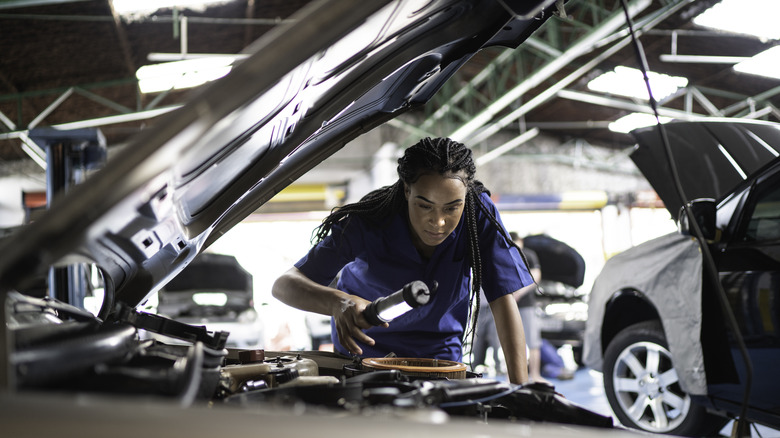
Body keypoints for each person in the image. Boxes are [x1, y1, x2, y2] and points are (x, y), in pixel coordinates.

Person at [272, 137, 535, 384]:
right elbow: (284, 285)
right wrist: (337, 302)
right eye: (425, 205)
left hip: (439, 361)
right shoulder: (371, 219)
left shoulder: (477, 213)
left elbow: (502, 299)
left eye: (452, 207)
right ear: (407, 190)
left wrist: (520, 390)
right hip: (365, 356)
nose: (439, 221)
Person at [511, 232, 546, 383]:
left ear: (521, 241)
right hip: (511, 306)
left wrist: (519, 293)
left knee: (533, 342)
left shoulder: (529, 255)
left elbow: (535, 277)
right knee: (511, 342)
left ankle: (535, 375)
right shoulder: (507, 255)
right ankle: (512, 376)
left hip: (527, 305)